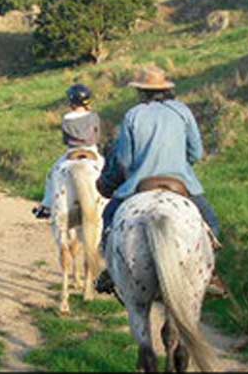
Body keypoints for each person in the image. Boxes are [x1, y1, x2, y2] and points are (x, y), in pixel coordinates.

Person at [94, 65, 225, 295]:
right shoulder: (182, 111)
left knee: (108, 218)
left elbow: (124, 159)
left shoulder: (133, 115)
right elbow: (196, 153)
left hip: (139, 185)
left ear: (141, 92)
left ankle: (111, 271)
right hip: (180, 183)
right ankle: (210, 273)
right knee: (212, 223)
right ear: (166, 90)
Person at [33, 84, 104, 219]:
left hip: (73, 151)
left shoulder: (67, 118)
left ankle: (47, 205)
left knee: (52, 173)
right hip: (91, 150)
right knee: (106, 171)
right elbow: (97, 136)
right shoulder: (94, 116)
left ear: (71, 101)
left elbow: (65, 140)